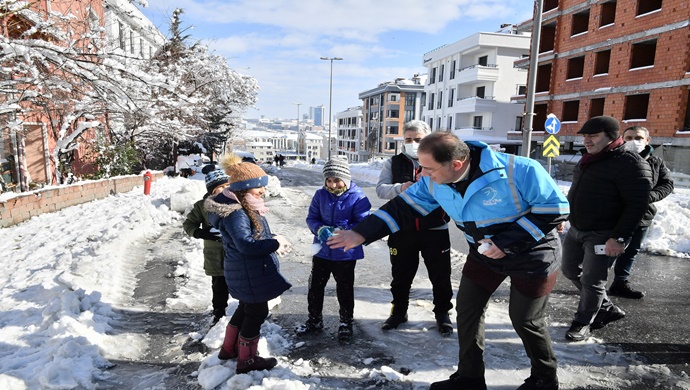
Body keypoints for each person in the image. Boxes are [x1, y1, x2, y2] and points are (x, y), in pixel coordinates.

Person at [328, 132, 569, 390]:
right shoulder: (434, 181)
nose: (422, 174)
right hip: (484, 254)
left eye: (429, 168)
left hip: (532, 254)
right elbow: (403, 207)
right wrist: (360, 233)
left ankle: (544, 378)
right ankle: (470, 378)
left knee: (525, 319)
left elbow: (555, 210)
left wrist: (506, 243)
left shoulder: (519, 170)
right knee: (467, 312)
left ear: (456, 164)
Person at [561, 116, 652, 342]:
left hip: (604, 233)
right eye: (584, 136)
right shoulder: (589, 159)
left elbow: (637, 205)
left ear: (611, 137)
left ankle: (583, 322)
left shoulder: (630, 163)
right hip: (577, 228)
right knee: (570, 270)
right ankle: (605, 307)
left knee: (593, 280)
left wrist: (619, 238)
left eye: (593, 135)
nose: (587, 140)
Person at [205, 154, 292, 374]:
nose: (263, 191)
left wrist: (273, 238)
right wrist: (273, 243)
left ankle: (228, 349)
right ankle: (247, 358)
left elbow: (253, 235)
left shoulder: (244, 205)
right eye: (258, 188)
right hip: (248, 271)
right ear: (244, 189)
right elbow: (246, 245)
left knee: (246, 308)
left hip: (245, 270)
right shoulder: (237, 213)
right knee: (257, 311)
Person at [375, 120, 453, 336]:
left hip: (435, 230)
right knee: (401, 276)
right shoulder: (394, 163)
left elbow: (452, 191)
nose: (412, 143)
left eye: (418, 139)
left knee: (440, 276)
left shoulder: (440, 161)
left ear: (427, 140)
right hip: (401, 230)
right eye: (408, 139)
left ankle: (443, 314)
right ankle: (399, 312)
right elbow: (381, 190)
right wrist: (402, 187)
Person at [298, 157, 371, 342]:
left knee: (345, 289)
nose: (332, 184)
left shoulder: (358, 197)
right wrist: (319, 229)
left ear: (345, 179)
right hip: (322, 251)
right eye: (329, 180)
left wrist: (345, 230)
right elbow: (312, 218)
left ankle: (346, 322)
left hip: (345, 252)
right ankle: (314, 320)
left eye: (336, 180)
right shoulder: (320, 195)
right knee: (315, 286)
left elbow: (363, 222)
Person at [607, 126, 674, 298]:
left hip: (643, 216)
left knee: (631, 251)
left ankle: (620, 283)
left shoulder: (656, 162)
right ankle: (593, 283)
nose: (633, 141)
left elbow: (667, 184)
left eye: (638, 137)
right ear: (622, 139)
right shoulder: (615, 158)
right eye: (628, 138)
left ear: (647, 140)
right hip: (616, 216)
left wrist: (647, 197)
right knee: (608, 250)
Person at [183, 169, 230, 324]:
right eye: (221, 187)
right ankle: (219, 313)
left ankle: (243, 311)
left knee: (240, 282)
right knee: (219, 287)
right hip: (215, 255)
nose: (226, 190)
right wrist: (201, 233)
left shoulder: (235, 203)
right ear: (212, 190)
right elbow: (189, 224)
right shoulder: (202, 206)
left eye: (228, 186)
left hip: (235, 253)